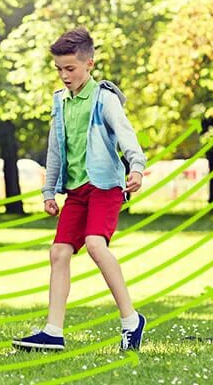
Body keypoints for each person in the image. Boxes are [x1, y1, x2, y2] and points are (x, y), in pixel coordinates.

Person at [12, 27, 148, 353]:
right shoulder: (60, 102)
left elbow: (126, 135)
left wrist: (137, 167)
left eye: (70, 68)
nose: (64, 75)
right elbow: (56, 149)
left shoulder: (105, 98)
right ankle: (53, 332)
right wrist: (48, 191)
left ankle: (131, 320)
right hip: (76, 191)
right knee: (58, 252)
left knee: (95, 244)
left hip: (104, 187)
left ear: (90, 64)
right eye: (59, 69)